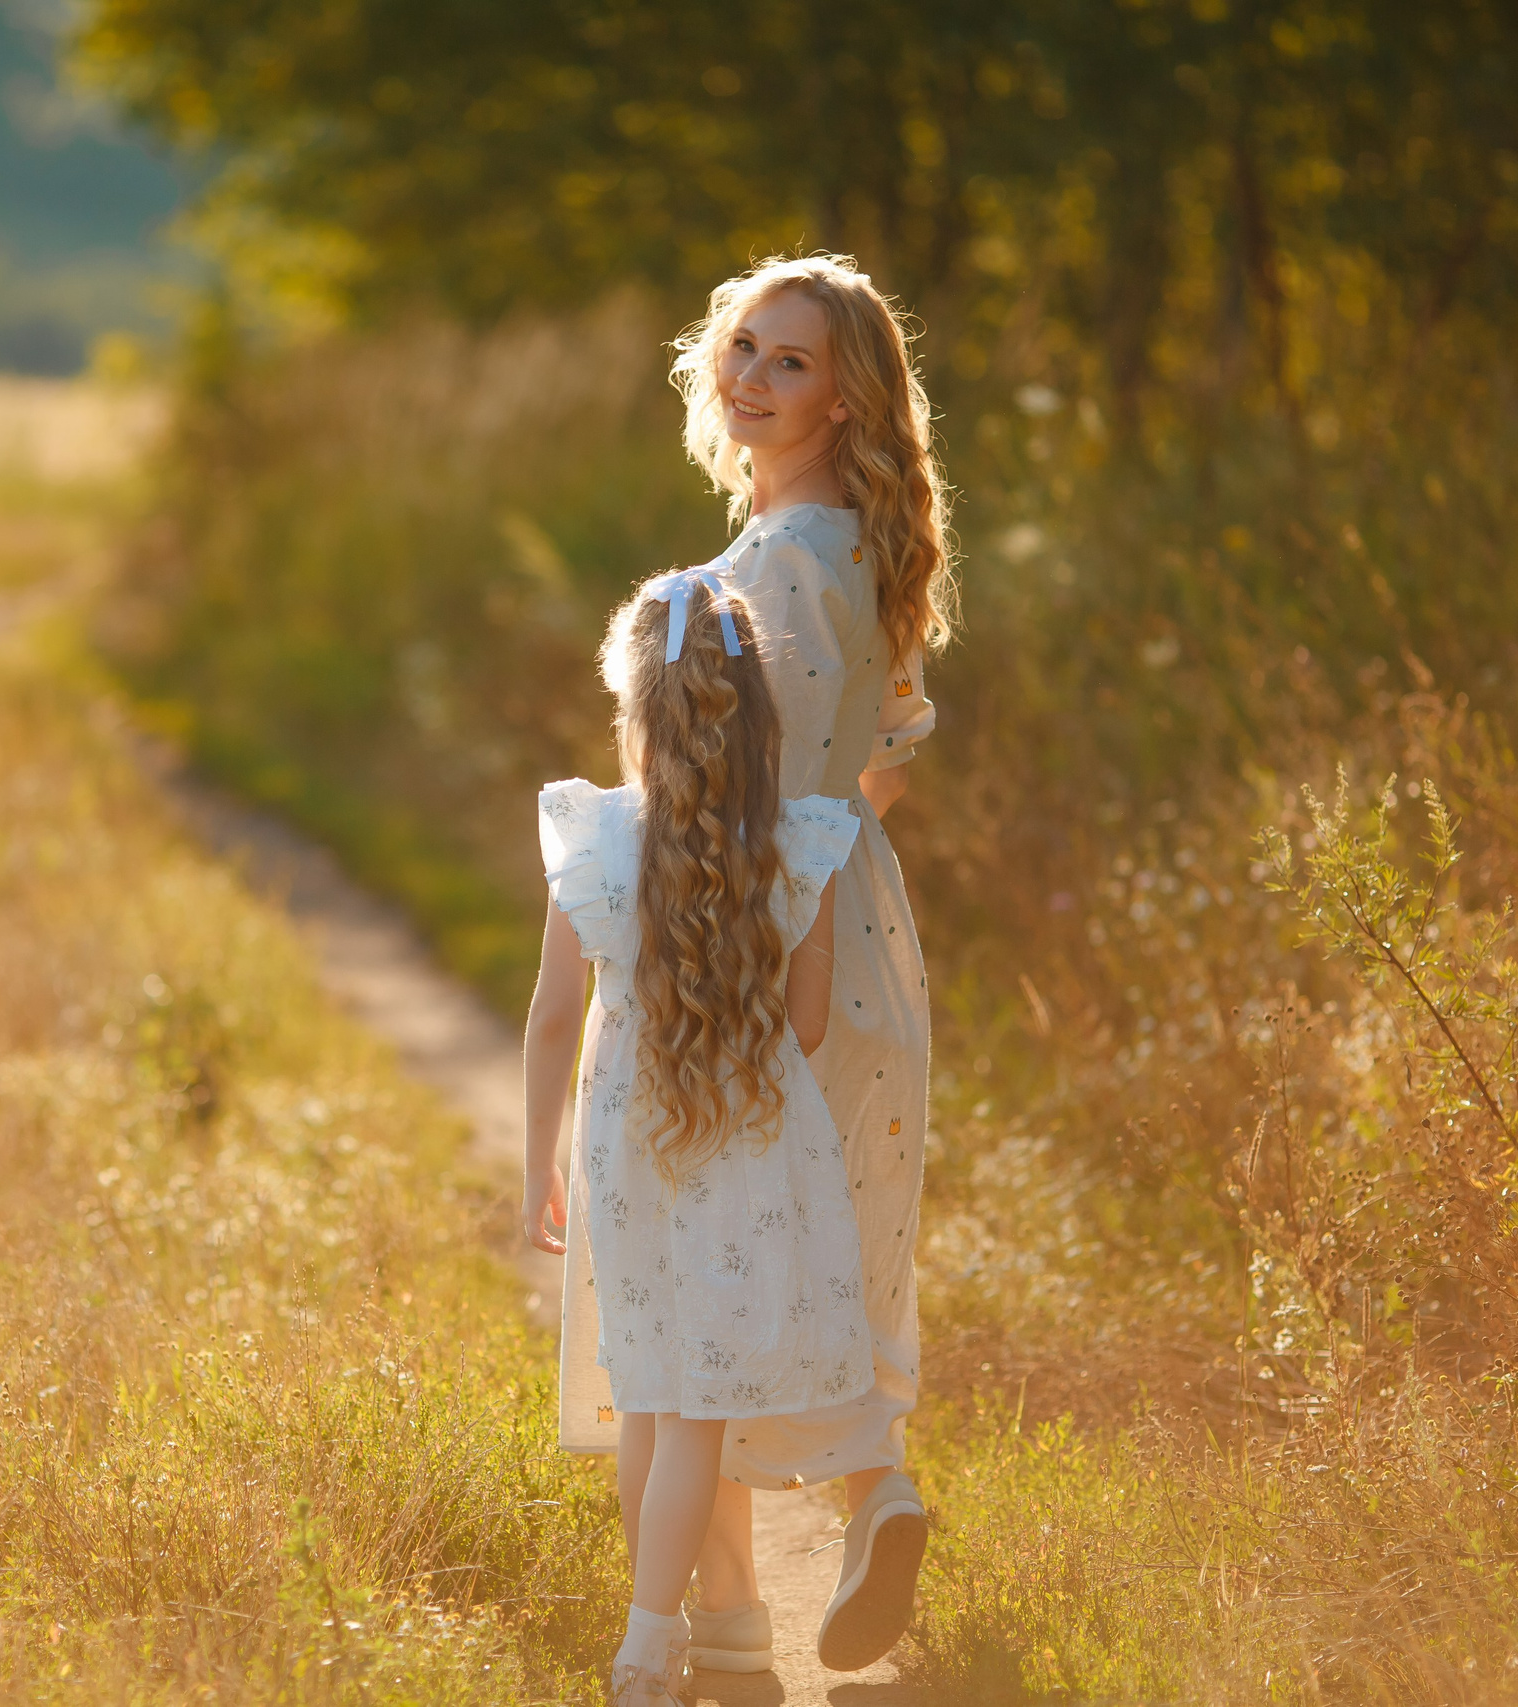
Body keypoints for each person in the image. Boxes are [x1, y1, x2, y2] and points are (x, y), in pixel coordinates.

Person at [555, 253, 959, 1677]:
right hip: (851, 908)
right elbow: (888, 749)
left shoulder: (780, 562)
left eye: (791, 359)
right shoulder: (857, 542)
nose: (751, 376)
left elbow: (739, 778)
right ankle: (863, 1502)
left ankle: (723, 1608)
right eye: (741, 347)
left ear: (849, 393)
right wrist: (840, 831)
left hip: (762, 932)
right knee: (816, 1244)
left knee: (713, 1269)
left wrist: (671, 901)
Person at [522, 574, 871, 1705]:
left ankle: (657, 1637)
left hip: (628, 1146)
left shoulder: (592, 837)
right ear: (756, 717)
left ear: (634, 709)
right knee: (696, 1415)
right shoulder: (799, 843)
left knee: (652, 1400)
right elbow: (808, 1027)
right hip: (744, 1146)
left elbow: (549, 1014)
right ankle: (641, 1652)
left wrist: (542, 1163)